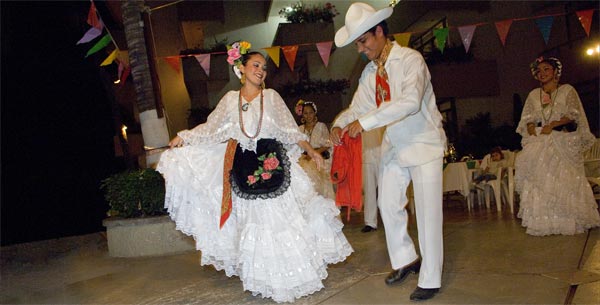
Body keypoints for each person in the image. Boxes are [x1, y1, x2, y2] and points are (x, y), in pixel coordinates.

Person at [156, 41, 353, 303]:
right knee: (255, 222)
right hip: (244, 168)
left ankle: (295, 276)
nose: (261, 71)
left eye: (264, 67)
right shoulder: (229, 101)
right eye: (256, 65)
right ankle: (266, 279)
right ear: (242, 68)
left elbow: (290, 130)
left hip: (274, 163)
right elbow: (211, 128)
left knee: (282, 220)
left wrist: (313, 151)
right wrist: (183, 137)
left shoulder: (271, 98)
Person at [330, 3, 447, 301]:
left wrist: (364, 123)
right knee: (386, 203)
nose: (360, 49)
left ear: (379, 32)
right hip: (395, 145)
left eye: (363, 41)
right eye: (357, 43)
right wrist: (340, 123)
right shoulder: (370, 73)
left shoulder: (411, 60)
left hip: (423, 143)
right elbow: (359, 106)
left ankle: (431, 277)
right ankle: (408, 259)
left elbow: (409, 102)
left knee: (427, 213)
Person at [515, 56, 600, 236]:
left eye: (546, 69)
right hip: (539, 142)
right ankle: (544, 222)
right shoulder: (532, 95)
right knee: (538, 180)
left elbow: (574, 114)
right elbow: (527, 118)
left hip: (561, 140)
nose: (543, 73)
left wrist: (553, 125)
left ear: (555, 72)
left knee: (564, 179)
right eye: (539, 71)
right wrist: (531, 128)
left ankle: (569, 220)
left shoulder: (567, 90)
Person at [296, 99, 336, 200]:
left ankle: (321, 200)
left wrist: (314, 153)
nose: (308, 116)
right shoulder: (299, 129)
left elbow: (328, 144)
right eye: (305, 113)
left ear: (315, 113)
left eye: (310, 113)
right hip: (304, 157)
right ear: (302, 115)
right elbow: (296, 147)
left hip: (320, 155)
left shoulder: (321, 126)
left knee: (315, 167)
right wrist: (305, 155)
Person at [361, 127, 384, 233]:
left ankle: (389, 218)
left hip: (384, 153)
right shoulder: (358, 111)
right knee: (369, 190)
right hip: (367, 154)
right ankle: (370, 222)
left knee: (387, 189)